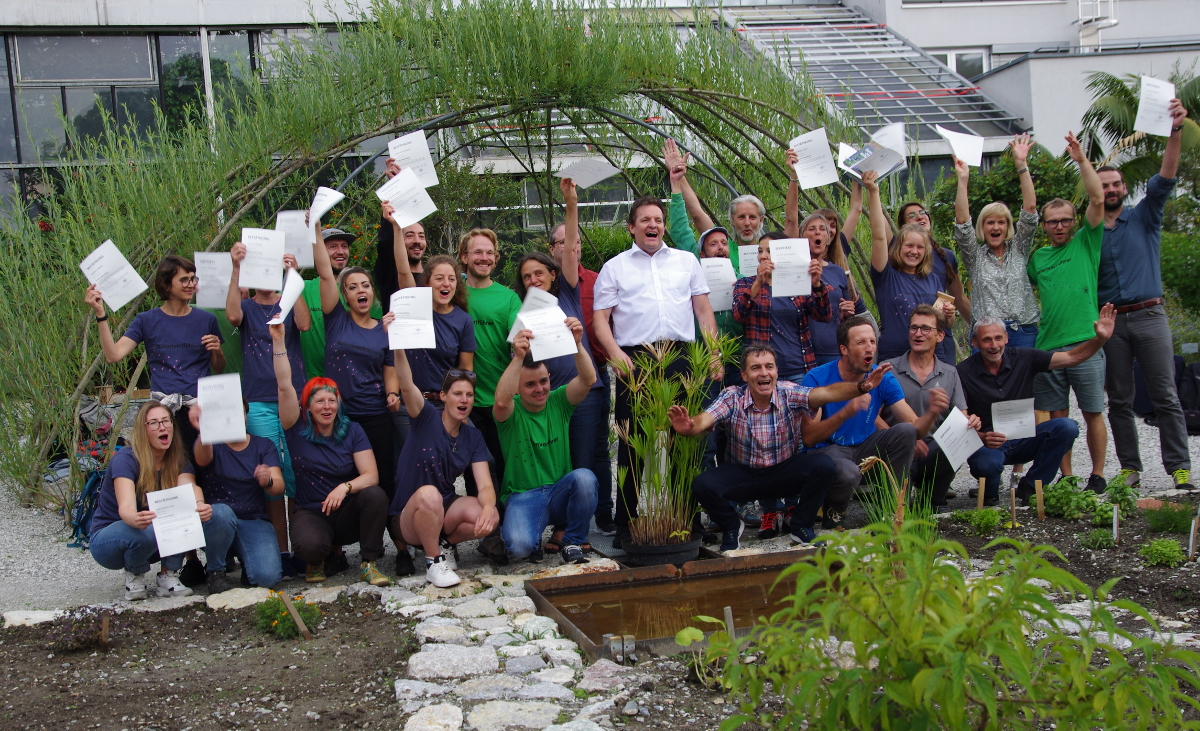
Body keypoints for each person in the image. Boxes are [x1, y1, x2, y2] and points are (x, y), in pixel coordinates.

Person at [670, 343, 899, 550]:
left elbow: (826, 393)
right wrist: (689, 426)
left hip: (784, 474)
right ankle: (731, 525)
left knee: (823, 466)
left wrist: (862, 387)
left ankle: (801, 525)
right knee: (702, 484)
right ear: (744, 375)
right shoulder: (732, 396)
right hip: (744, 477)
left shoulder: (788, 392)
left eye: (769, 366)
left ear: (776, 372)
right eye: (756, 368)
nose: (764, 373)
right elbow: (705, 419)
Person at [592, 194, 719, 548]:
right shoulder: (615, 267)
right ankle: (626, 524)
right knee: (634, 445)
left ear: (664, 225)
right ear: (631, 227)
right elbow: (600, 319)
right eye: (645, 220)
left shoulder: (686, 261)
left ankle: (689, 521)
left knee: (686, 441)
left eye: (658, 220)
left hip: (682, 357)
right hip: (636, 361)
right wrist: (615, 353)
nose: (653, 225)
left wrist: (714, 354)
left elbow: (704, 312)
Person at [1098, 98, 1193, 491]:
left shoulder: (1145, 215)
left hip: (1151, 316)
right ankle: (1130, 468)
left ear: (1125, 188)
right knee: (1119, 399)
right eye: (1104, 186)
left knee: (1165, 394)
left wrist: (1175, 130)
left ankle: (1179, 467)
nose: (1113, 190)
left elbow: (1167, 174)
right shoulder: (1088, 233)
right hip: (1113, 321)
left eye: (1117, 184)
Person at [514, 180, 608, 550]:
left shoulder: (566, 291)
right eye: (526, 277)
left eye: (539, 273)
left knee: (583, 458)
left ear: (553, 274)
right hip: (549, 397)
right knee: (558, 458)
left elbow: (570, 247)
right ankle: (558, 525)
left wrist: (571, 204)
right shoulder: (521, 312)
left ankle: (574, 531)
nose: (534, 279)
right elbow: (518, 362)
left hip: (584, 389)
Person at [311, 215, 400, 578]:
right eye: (353, 286)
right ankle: (333, 551)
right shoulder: (336, 319)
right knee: (336, 480)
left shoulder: (384, 328)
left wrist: (393, 393)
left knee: (383, 484)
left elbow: (390, 369)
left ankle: (389, 552)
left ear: (373, 292)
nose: (361, 290)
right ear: (344, 294)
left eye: (366, 285)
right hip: (338, 418)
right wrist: (315, 228)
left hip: (376, 416)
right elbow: (323, 271)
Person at [270, 323, 391, 586]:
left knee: (375, 495)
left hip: (346, 511)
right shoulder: (295, 428)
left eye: (332, 400)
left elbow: (371, 475)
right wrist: (279, 342)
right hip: (312, 512)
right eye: (320, 401)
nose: (327, 406)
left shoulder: (353, 430)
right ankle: (317, 559)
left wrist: (344, 488)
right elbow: (284, 387)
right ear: (308, 407)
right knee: (308, 545)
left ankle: (369, 564)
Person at [958, 306, 1116, 505]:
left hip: (1024, 439)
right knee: (986, 463)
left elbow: (1071, 357)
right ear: (975, 342)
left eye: (998, 338)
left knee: (1066, 427)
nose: (994, 345)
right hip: (989, 443)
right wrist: (981, 437)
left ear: (1007, 338)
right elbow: (956, 421)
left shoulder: (1024, 357)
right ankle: (989, 495)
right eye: (986, 339)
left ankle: (1031, 485)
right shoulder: (962, 372)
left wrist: (1099, 339)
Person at [88, 401, 236, 599]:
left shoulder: (178, 460)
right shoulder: (126, 459)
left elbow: (190, 488)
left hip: (153, 535)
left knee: (201, 513)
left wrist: (200, 506)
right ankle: (135, 574)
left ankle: (169, 574)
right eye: (154, 423)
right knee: (148, 529)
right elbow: (126, 508)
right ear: (143, 430)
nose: (162, 427)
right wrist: (135, 518)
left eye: (166, 421)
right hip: (110, 539)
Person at [1027, 132, 1108, 492]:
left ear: (1073, 222)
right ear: (1044, 226)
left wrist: (1082, 160)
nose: (1059, 226)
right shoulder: (1038, 258)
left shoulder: (1087, 243)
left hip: (1086, 341)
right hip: (1050, 346)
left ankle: (1099, 475)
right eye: (1052, 221)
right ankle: (1068, 476)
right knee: (1059, 416)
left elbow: (1097, 197)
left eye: (1064, 220)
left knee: (1092, 412)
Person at [224, 243, 310, 579]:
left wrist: (293, 275)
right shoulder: (246, 305)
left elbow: (303, 323)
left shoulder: (287, 302)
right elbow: (232, 315)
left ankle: (301, 548)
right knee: (271, 475)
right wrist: (234, 268)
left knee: (296, 472)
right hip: (259, 399)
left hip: (292, 398)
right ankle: (281, 550)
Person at [85, 255, 225, 457]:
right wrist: (100, 314)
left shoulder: (207, 319)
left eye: (194, 279)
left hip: (200, 410)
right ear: (166, 285)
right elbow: (113, 355)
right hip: (163, 414)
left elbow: (218, 367)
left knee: (207, 473)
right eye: (184, 279)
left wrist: (218, 351)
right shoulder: (147, 320)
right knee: (169, 474)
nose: (191, 284)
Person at [388, 348, 499, 588]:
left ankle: (447, 544)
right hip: (408, 514)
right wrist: (398, 346)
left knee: (490, 515)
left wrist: (489, 507)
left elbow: (485, 485)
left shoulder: (473, 436)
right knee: (429, 494)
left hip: (444, 508)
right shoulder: (425, 417)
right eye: (457, 393)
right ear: (443, 396)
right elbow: (406, 385)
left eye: (469, 395)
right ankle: (434, 561)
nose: (464, 400)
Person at [801, 316, 921, 530]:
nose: (870, 349)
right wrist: (846, 412)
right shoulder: (817, 378)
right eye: (861, 342)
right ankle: (835, 508)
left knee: (905, 431)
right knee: (848, 472)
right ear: (844, 349)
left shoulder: (881, 376)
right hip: (829, 450)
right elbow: (809, 438)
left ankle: (893, 509)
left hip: (865, 447)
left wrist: (938, 416)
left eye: (873, 342)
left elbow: (912, 424)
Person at [494, 317, 598, 563]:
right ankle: (528, 537)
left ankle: (572, 542)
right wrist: (518, 357)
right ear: (517, 387)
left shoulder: (559, 401)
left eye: (543, 381)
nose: (539, 388)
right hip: (522, 495)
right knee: (519, 548)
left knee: (585, 478)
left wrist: (577, 344)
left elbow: (588, 380)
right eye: (529, 384)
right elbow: (500, 400)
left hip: (558, 490)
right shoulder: (510, 411)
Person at [549, 196, 617, 537]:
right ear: (551, 249)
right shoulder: (547, 289)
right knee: (570, 451)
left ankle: (603, 512)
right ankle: (571, 520)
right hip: (559, 381)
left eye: (574, 242)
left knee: (597, 449)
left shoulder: (596, 279)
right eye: (563, 243)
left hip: (597, 375)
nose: (571, 248)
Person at [884, 306, 978, 511]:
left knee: (964, 435)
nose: (918, 334)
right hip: (896, 450)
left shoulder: (950, 373)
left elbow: (961, 415)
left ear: (940, 336)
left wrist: (971, 421)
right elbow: (871, 414)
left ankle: (933, 498)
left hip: (933, 450)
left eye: (926, 329)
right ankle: (896, 501)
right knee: (897, 510)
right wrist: (907, 439)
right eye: (914, 328)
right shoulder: (887, 369)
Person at [953, 134, 1041, 349]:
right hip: (987, 335)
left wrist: (1021, 164)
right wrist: (963, 179)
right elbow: (963, 223)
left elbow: (1029, 211)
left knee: (1024, 383)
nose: (995, 227)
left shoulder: (1019, 249)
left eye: (1001, 222)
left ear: (1008, 226)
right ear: (982, 227)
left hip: (1023, 332)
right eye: (990, 222)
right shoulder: (976, 256)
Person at [865, 172, 958, 363]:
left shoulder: (933, 279)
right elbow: (878, 236)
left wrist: (949, 316)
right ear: (898, 247)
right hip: (894, 358)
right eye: (909, 246)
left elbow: (943, 324)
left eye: (919, 247)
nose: (914, 251)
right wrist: (873, 191)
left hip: (932, 358)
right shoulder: (886, 275)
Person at [190, 404, 285, 590]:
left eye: (238, 412)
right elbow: (201, 459)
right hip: (218, 520)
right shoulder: (211, 443)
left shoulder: (264, 445)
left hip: (253, 519)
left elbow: (279, 487)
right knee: (221, 513)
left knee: (268, 579)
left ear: (246, 415)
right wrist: (203, 432)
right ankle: (215, 570)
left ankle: (245, 561)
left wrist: (268, 481)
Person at [459, 227, 521, 497]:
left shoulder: (508, 298)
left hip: (501, 398)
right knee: (474, 468)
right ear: (464, 257)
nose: (484, 258)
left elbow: (520, 341)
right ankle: (483, 528)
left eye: (489, 253)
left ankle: (507, 526)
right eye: (477, 252)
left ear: (496, 258)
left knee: (505, 464)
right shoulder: (452, 292)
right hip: (464, 399)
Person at [732, 231, 831, 383]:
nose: (763, 256)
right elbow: (739, 315)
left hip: (799, 368)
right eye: (760, 251)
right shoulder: (746, 283)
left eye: (769, 251)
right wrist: (758, 283)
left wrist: (817, 285)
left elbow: (824, 315)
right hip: (763, 372)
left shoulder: (799, 282)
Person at [300, 226, 382, 379]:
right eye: (332, 247)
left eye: (344, 246)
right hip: (314, 384)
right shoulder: (303, 288)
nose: (340, 251)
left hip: (356, 382)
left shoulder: (364, 292)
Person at [801, 212, 867, 367]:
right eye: (811, 229)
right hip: (803, 350)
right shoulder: (793, 270)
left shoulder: (837, 271)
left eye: (822, 229)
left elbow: (846, 315)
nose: (818, 232)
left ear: (828, 239)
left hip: (833, 348)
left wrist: (847, 312)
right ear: (801, 237)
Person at [375, 157, 427, 303]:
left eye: (421, 236)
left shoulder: (433, 277)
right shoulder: (390, 273)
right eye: (409, 235)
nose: (417, 241)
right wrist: (394, 185)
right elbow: (386, 241)